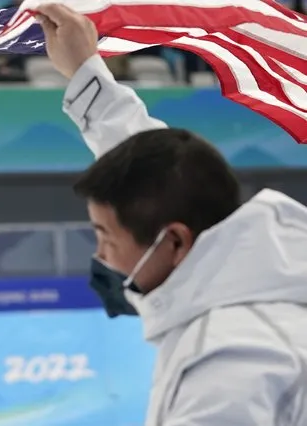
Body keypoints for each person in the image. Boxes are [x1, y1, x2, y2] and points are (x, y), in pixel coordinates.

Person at [36, 3, 307, 425]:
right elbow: (155, 167)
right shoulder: (256, 269)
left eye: (107, 236)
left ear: (175, 241)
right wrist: (87, 71)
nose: (101, 257)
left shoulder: (228, 366)